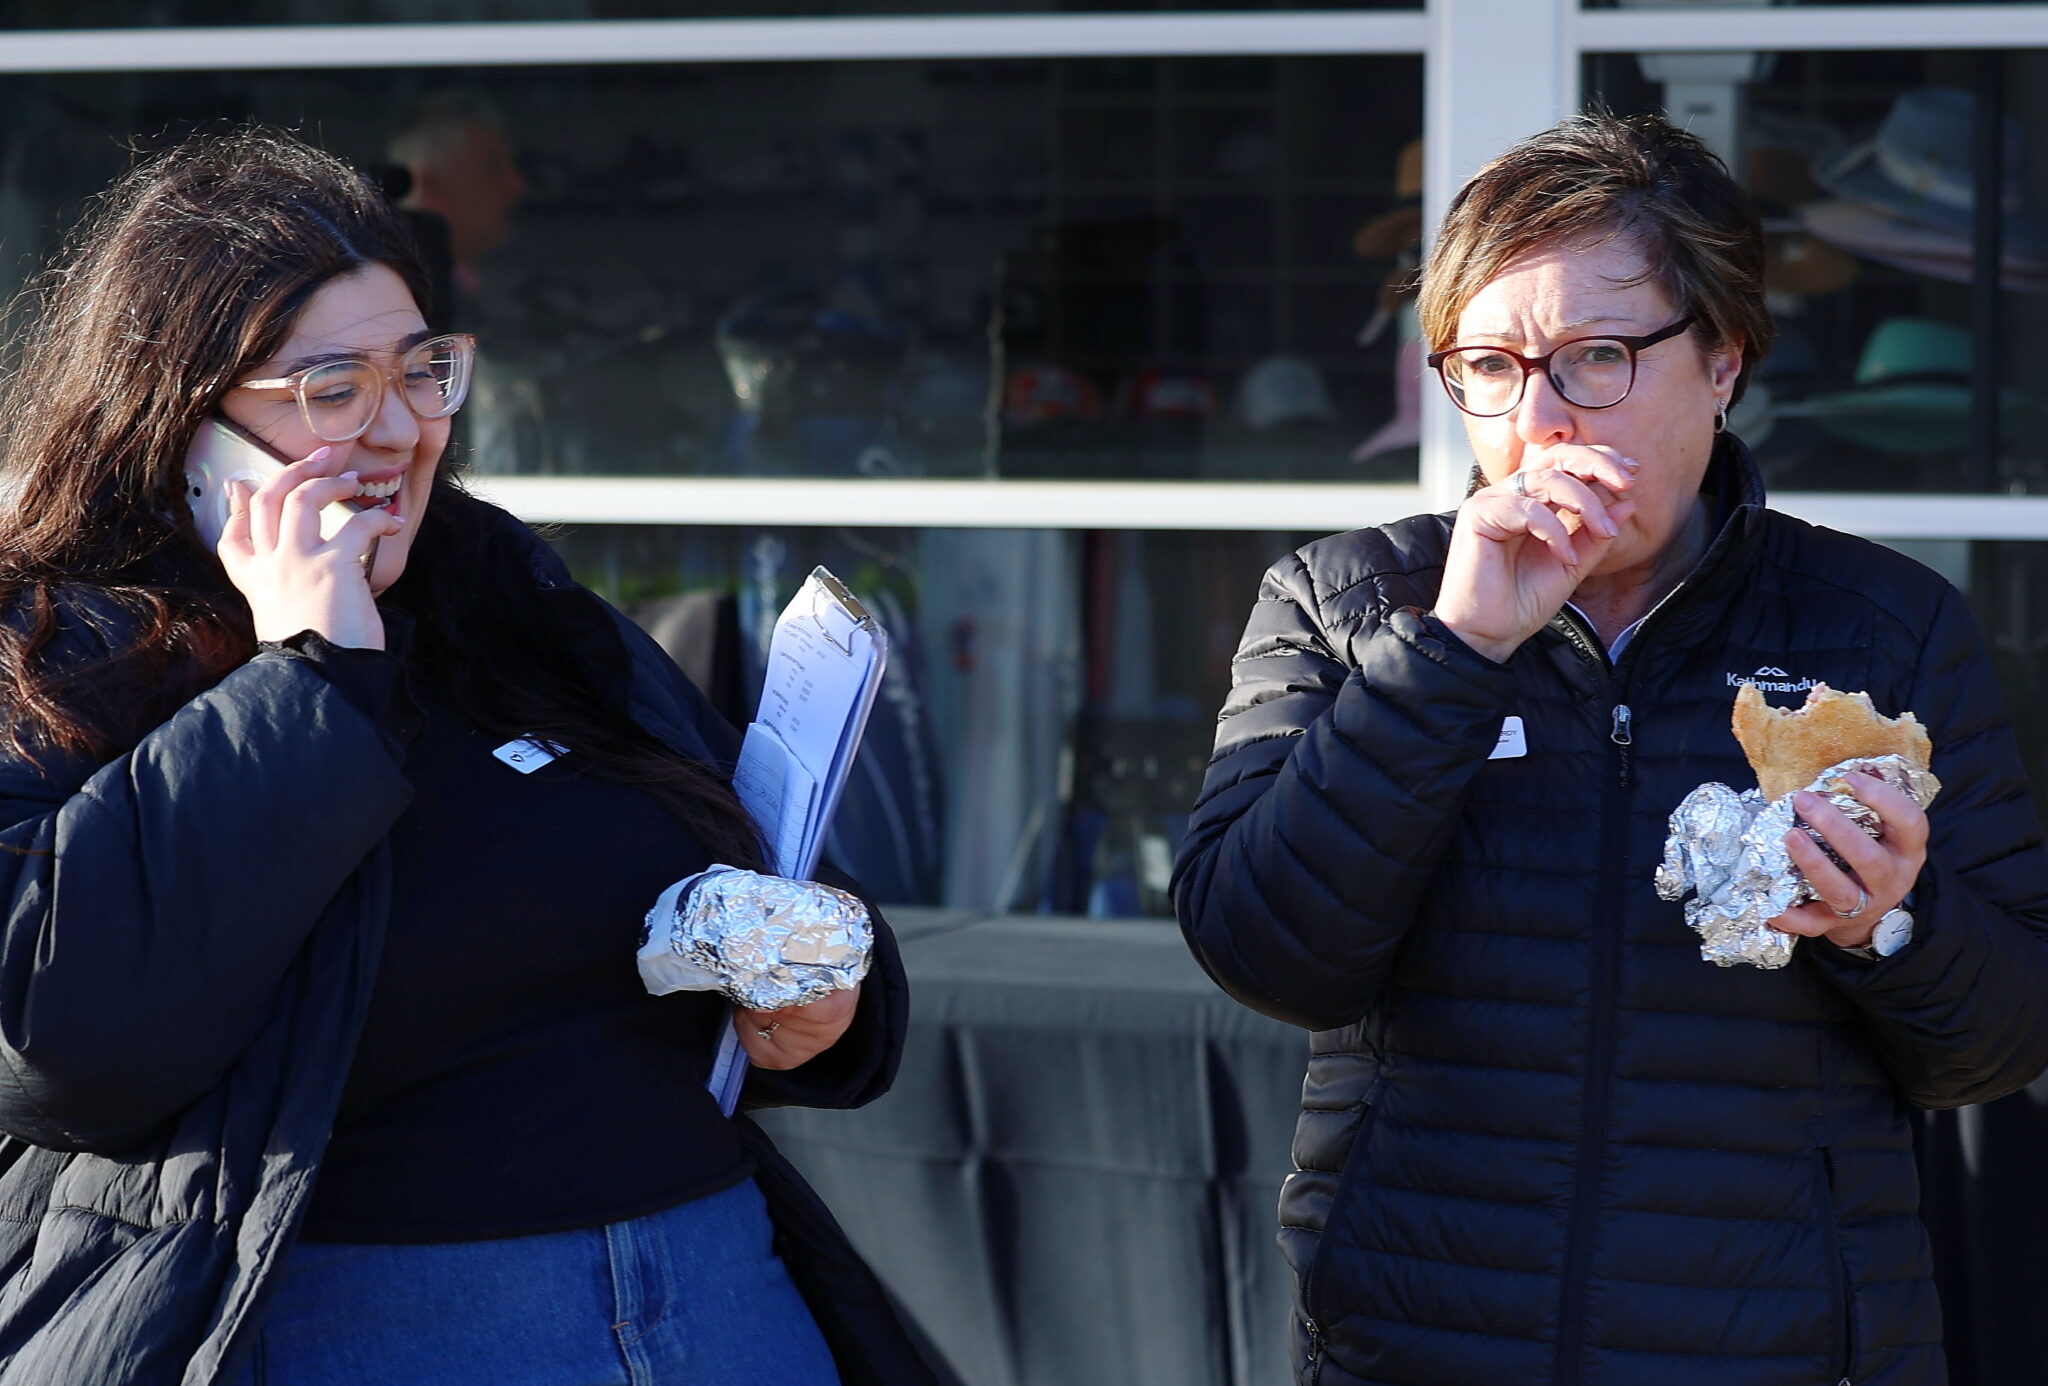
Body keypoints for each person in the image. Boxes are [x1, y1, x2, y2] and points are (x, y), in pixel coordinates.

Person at [0, 129, 930, 1386]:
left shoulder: (508, 603)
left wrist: (826, 998)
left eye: (420, 371)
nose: (398, 429)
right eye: (332, 387)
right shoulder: (57, 658)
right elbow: (61, 1049)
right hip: (360, 1317)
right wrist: (311, 672)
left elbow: (762, 848)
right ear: (185, 422)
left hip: (716, 1292)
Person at [1173, 112, 2048, 1386]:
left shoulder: (1882, 629)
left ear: (1722, 360)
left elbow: (2003, 1045)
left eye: (1595, 356)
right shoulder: (1345, 603)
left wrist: (1888, 927)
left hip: (1782, 1348)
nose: (1536, 419)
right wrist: (1454, 653)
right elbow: (1262, 952)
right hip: (1420, 1335)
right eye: (1488, 365)